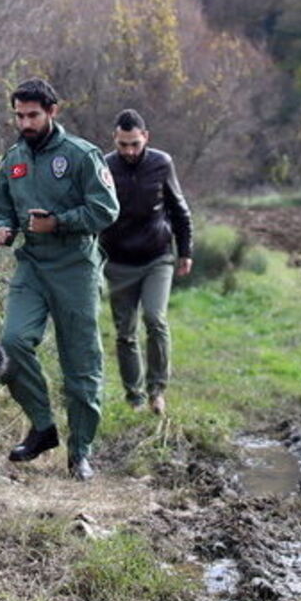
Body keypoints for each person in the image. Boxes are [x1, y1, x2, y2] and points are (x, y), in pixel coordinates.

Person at [0, 79, 119, 480]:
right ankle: (42, 427)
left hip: (75, 266)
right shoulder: (14, 158)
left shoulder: (81, 155)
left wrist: (59, 222)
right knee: (12, 343)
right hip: (31, 264)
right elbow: (0, 206)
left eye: (33, 115)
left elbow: (106, 209)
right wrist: (1, 227)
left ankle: (80, 452)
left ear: (52, 112)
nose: (25, 123)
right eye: (19, 116)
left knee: (80, 362)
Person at [99, 109, 193, 416]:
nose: (129, 151)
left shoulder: (161, 163)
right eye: (123, 145)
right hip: (118, 261)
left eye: (135, 144)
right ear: (115, 139)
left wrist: (185, 251)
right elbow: (94, 211)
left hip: (157, 257)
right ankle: (135, 398)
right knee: (125, 332)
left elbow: (180, 210)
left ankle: (157, 391)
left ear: (146, 138)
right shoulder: (104, 166)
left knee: (155, 318)